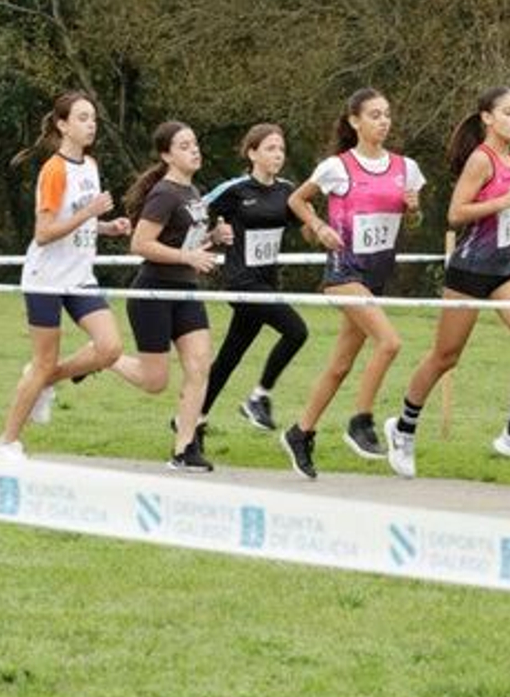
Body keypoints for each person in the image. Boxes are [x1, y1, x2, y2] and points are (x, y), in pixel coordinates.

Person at [385, 85, 510, 476]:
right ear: (487, 118)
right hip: (470, 270)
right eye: (508, 112)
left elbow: (500, 210)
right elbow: (456, 214)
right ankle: (403, 428)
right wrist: (503, 204)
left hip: (504, 267)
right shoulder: (482, 159)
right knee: (446, 356)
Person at [280, 87, 423, 480]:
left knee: (340, 365)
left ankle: (300, 432)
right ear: (354, 121)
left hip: (375, 276)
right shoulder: (337, 167)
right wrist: (320, 226)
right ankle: (360, 422)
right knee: (390, 342)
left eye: (387, 114)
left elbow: (414, 222)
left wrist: (413, 210)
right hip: (343, 274)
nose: (383, 121)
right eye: (374, 115)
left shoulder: (405, 168)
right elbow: (296, 200)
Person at [0, 89, 131, 460]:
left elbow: (81, 220)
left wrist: (106, 227)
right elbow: (44, 232)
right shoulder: (53, 170)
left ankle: (47, 381)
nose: (90, 125)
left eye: (93, 119)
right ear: (62, 125)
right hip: (46, 279)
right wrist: (90, 215)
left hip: (79, 276)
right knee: (43, 361)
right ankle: (5, 444)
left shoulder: (92, 166)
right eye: (82, 118)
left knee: (110, 348)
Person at [112, 119, 224, 472]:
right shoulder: (164, 193)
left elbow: (186, 242)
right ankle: (104, 357)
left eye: (195, 143)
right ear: (167, 155)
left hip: (187, 290)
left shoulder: (194, 193)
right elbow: (140, 244)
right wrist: (188, 257)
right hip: (154, 292)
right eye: (184, 146)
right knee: (154, 381)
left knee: (199, 365)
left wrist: (214, 238)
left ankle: (185, 448)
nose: (194, 150)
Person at [200, 123, 309, 431]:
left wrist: (319, 229)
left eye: (281, 149)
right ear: (252, 153)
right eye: (271, 149)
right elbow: (191, 212)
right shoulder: (235, 190)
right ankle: (258, 398)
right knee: (297, 331)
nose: (278, 155)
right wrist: (212, 235)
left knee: (229, 356)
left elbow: (306, 225)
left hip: (266, 282)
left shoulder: (287, 191)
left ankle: (193, 417)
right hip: (241, 282)